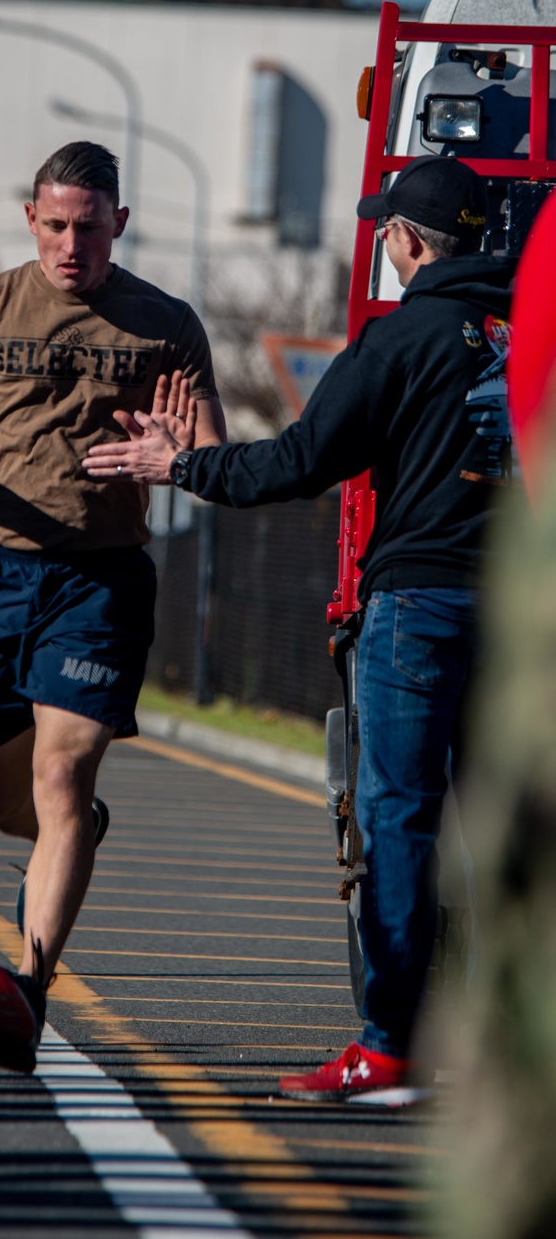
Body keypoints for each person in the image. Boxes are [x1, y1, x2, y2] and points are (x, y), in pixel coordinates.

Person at [84, 154, 515, 1101]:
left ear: (404, 242)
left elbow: (298, 464)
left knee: (401, 816)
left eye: (387, 231)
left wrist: (179, 466)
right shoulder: (535, 335)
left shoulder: (401, 340)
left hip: (419, 605)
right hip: (525, 612)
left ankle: (392, 1045)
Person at [0, 140, 226, 1071]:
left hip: (99, 581)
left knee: (63, 776)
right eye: (55, 226)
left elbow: (214, 457)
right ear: (31, 221)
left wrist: (178, 450)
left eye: (89, 229)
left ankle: (27, 982)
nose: (71, 246)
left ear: (119, 226)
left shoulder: (166, 323)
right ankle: (72, 838)